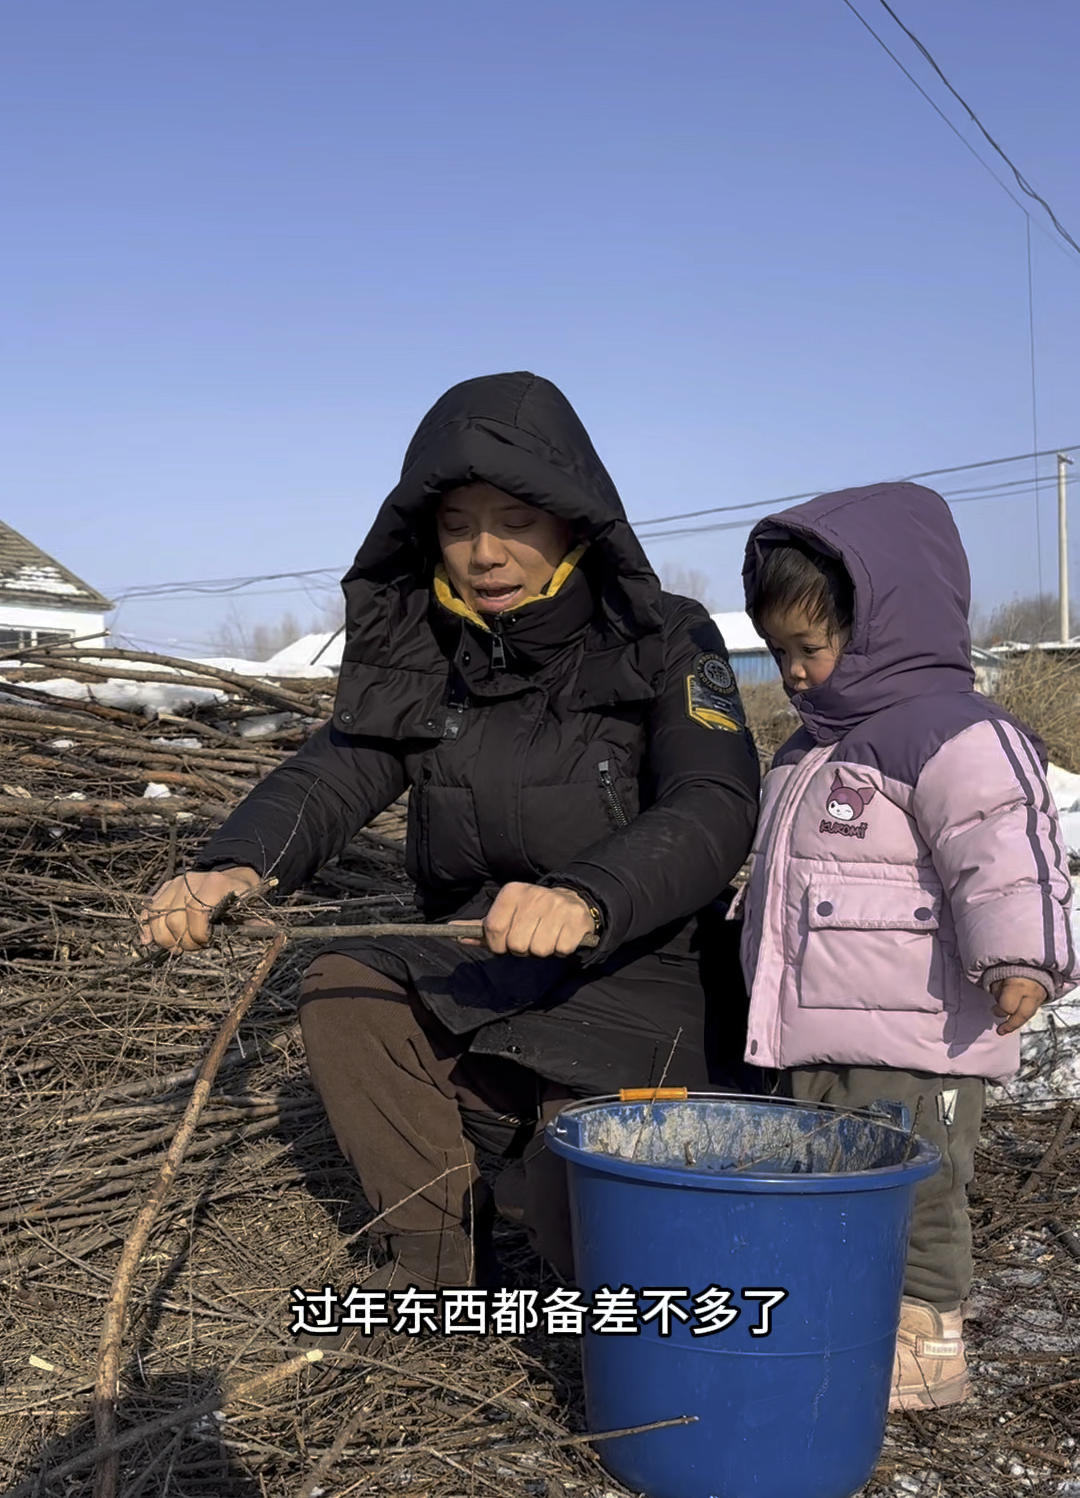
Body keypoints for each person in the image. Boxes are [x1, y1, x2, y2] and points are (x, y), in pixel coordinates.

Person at [141, 371, 760, 1321]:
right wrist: (234, 863)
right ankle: (431, 1269)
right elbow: (330, 774)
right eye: (458, 524)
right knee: (347, 983)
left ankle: (534, 1165)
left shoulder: (666, 638)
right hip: (484, 966)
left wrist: (590, 895)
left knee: (587, 1246)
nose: (484, 552)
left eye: (515, 518)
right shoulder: (431, 655)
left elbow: (712, 802)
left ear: (573, 523)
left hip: (641, 972)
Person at [738, 480, 1076, 1411]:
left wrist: (1023, 958)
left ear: (888, 624)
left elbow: (1007, 852)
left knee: (917, 1189)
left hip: (921, 1036)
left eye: (812, 647)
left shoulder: (954, 733)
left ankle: (926, 1350)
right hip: (819, 1033)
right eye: (781, 653)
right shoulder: (807, 755)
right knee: (821, 1182)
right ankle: (842, 1326)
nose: (796, 672)